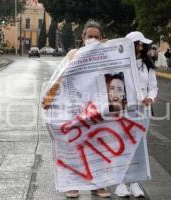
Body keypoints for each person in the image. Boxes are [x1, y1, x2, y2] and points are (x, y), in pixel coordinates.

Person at [42, 20, 111, 199]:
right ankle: (72, 185)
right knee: (73, 146)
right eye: (90, 36)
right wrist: (49, 96)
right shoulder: (73, 54)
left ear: (102, 38)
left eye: (97, 37)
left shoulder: (106, 55)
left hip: (97, 110)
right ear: (83, 38)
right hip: (73, 108)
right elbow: (60, 76)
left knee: (97, 146)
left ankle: (98, 185)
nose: (93, 39)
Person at [114, 31, 158, 198]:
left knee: (139, 146)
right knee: (123, 146)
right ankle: (121, 183)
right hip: (124, 111)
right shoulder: (119, 64)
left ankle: (135, 183)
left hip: (143, 111)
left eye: (143, 44)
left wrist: (150, 98)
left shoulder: (147, 65)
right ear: (132, 45)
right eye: (139, 43)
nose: (142, 46)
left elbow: (153, 86)